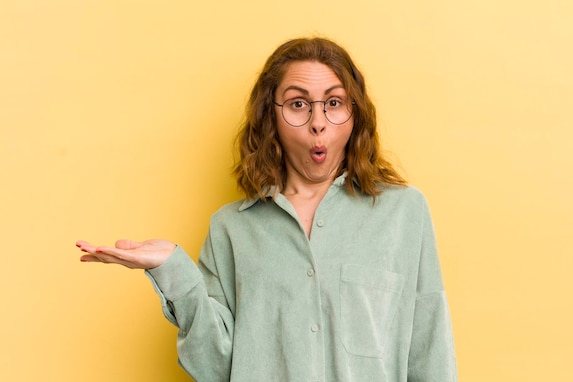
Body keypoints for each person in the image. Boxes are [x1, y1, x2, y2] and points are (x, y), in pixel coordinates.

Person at [77, 37, 457, 382]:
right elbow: (214, 367)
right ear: (270, 116)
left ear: (355, 114)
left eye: (334, 103)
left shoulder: (404, 212)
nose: (318, 123)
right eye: (298, 104)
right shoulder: (231, 229)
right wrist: (172, 269)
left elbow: (430, 349)